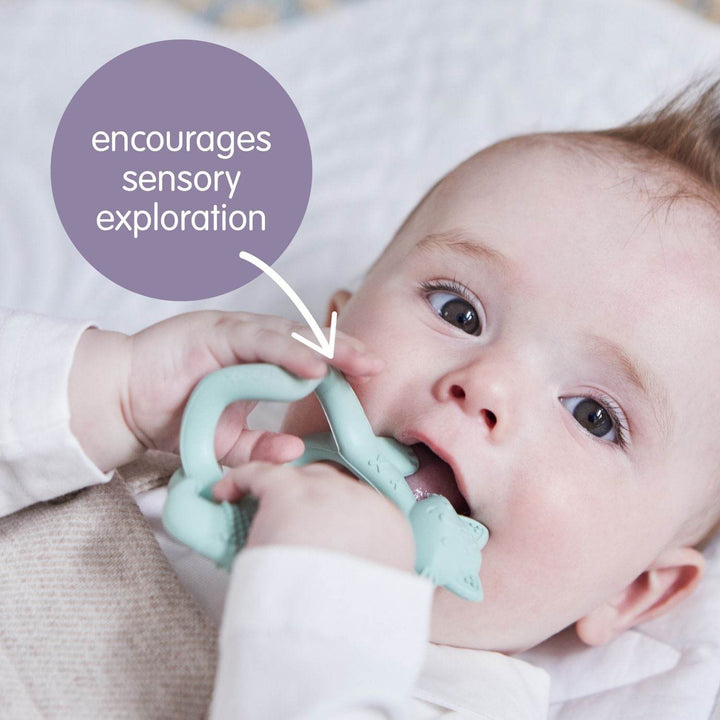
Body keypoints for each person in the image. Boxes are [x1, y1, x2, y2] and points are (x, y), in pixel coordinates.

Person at [3, 76, 720, 718]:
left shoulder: (452, 700)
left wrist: (330, 596)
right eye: (458, 311)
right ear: (328, 333)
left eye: (594, 417)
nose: (487, 383)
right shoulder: (141, 461)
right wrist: (110, 390)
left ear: (633, 592)